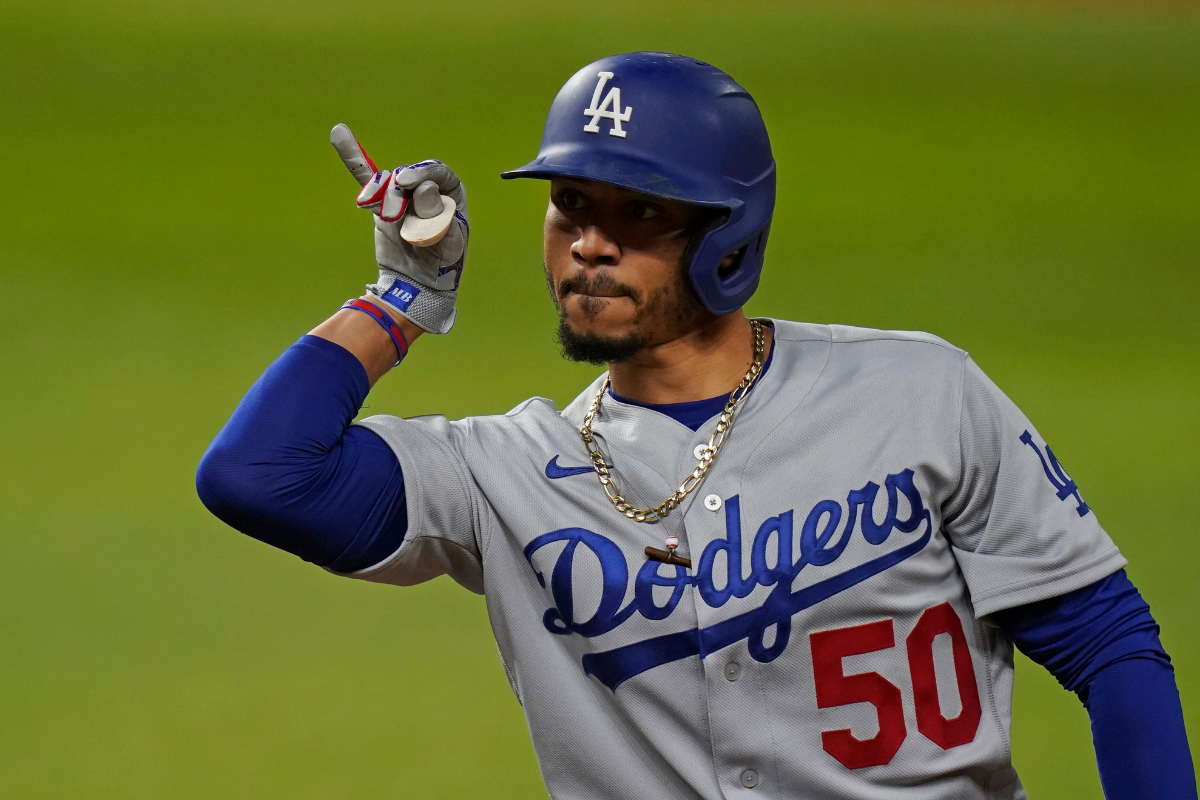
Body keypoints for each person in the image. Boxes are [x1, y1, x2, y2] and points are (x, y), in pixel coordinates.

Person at [196, 52, 1195, 799]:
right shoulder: (503, 470)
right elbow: (258, 474)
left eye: (637, 215)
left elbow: (1106, 641)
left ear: (727, 237)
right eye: (570, 206)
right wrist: (399, 298)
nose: (589, 241)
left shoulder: (918, 392)